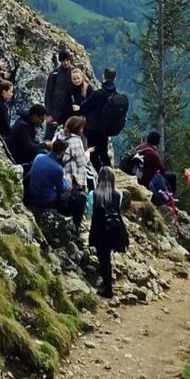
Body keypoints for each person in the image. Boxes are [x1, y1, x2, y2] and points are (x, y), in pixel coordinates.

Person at [25, 138, 87, 228]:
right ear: (62, 152)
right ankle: (75, 226)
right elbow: (61, 190)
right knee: (79, 197)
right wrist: (68, 181)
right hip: (46, 201)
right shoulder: (57, 168)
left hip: (31, 194)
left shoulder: (39, 157)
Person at [88, 166, 129, 298]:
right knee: (107, 258)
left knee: (103, 258)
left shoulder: (93, 194)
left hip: (100, 230)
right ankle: (108, 283)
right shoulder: (118, 194)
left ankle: (108, 289)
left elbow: (89, 214)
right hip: (116, 230)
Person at [82, 67, 128, 171]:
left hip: (93, 129)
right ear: (115, 79)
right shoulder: (116, 95)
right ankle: (109, 176)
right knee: (104, 154)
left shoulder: (98, 94)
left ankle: (100, 176)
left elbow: (85, 107)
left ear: (103, 77)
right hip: (106, 130)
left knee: (93, 154)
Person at [9, 104, 50, 168]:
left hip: (22, 151)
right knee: (43, 153)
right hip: (17, 156)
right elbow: (30, 148)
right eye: (41, 120)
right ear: (35, 116)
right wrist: (45, 145)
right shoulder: (23, 127)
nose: (42, 123)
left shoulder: (26, 122)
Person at [43, 49, 74, 132]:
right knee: (49, 136)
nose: (66, 63)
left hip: (68, 112)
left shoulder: (73, 73)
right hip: (55, 112)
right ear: (60, 61)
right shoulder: (54, 74)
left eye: (67, 60)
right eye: (64, 61)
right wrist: (48, 114)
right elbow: (48, 95)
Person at [62, 115, 92, 191]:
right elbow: (81, 162)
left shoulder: (61, 136)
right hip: (72, 176)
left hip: (62, 172)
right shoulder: (76, 141)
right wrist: (87, 153)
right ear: (79, 129)